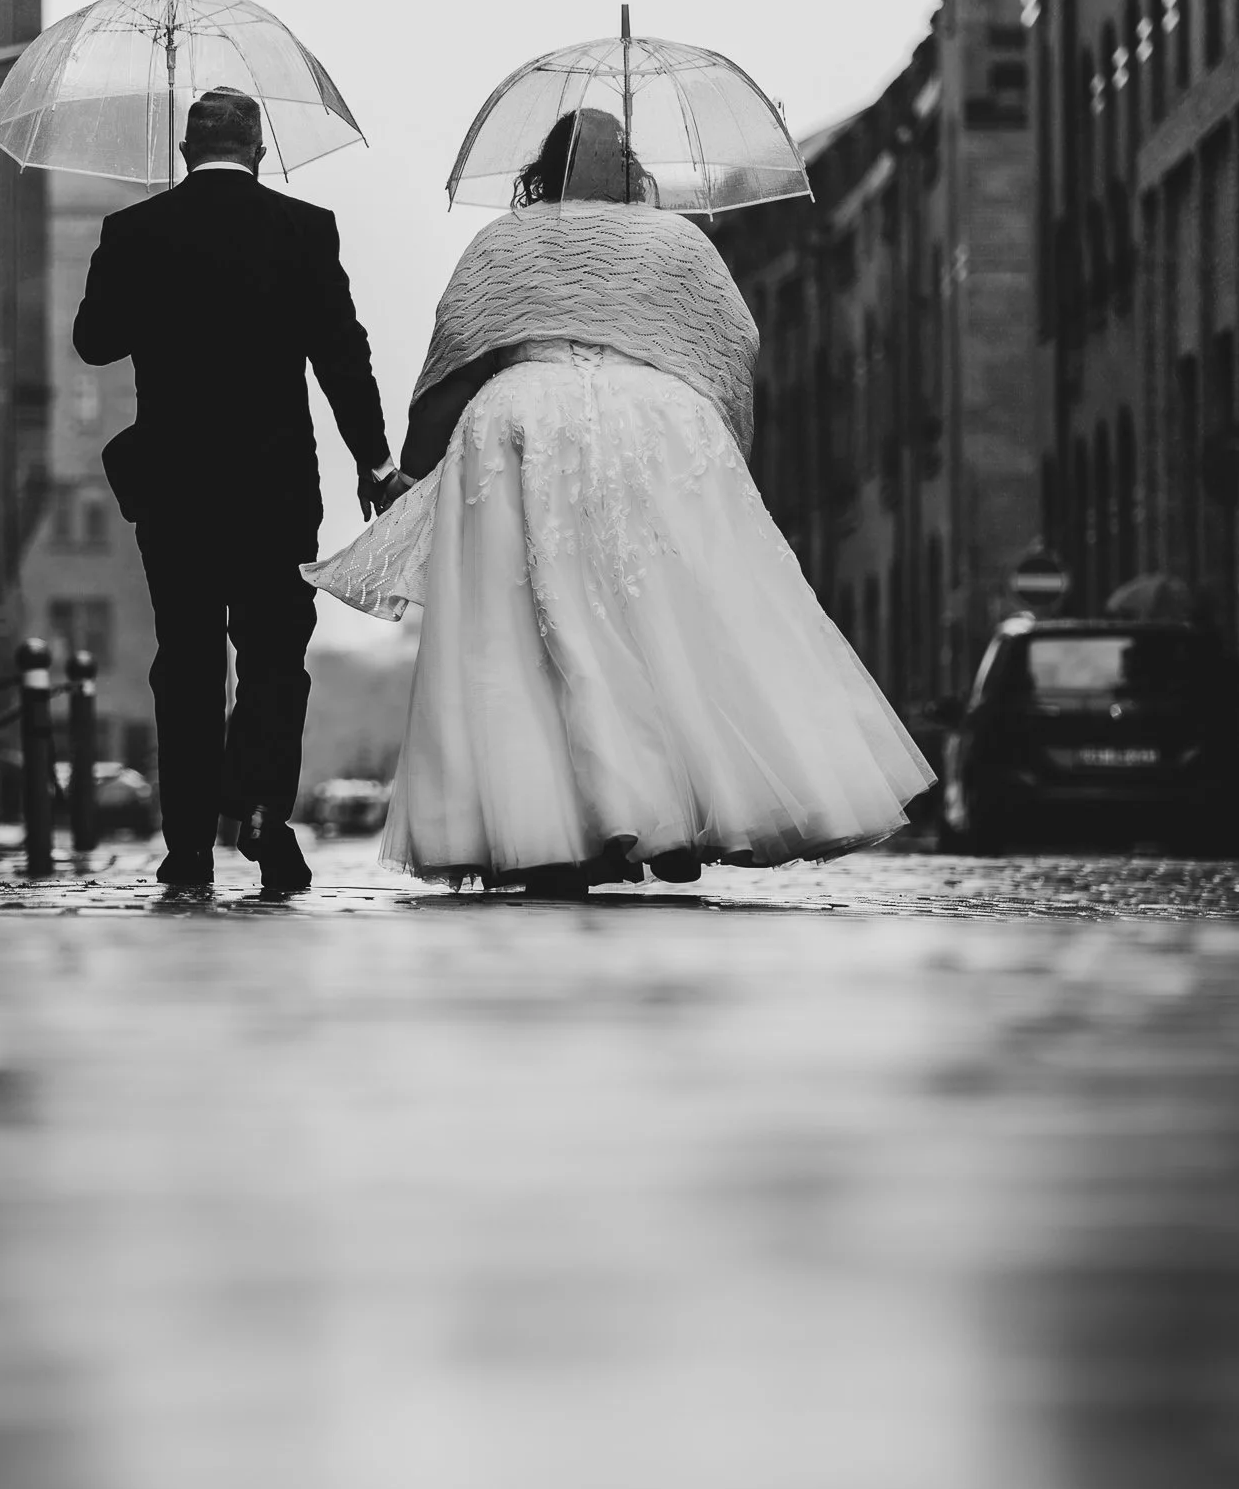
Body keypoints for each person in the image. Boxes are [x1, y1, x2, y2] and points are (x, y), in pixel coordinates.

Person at [309, 107, 934, 894]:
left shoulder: (503, 240)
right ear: (630, 167)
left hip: (521, 419)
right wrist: (710, 437)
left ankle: (554, 831)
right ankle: (670, 809)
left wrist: (410, 464)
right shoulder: (676, 241)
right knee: (669, 619)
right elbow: (731, 347)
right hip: (655, 424)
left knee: (524, 637)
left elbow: (456, 355)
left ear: (546, 166)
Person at [74, 87, 409, 893]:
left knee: (185, 660)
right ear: (259, 152)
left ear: (187, 153)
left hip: (173, 490)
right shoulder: (302, 229)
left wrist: (142, 274)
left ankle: (187, 845)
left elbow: (93, 341)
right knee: (273, 657)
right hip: (274, 488)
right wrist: (373, 462)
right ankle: (260, 814)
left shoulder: (134, 232)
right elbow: (342, 355)